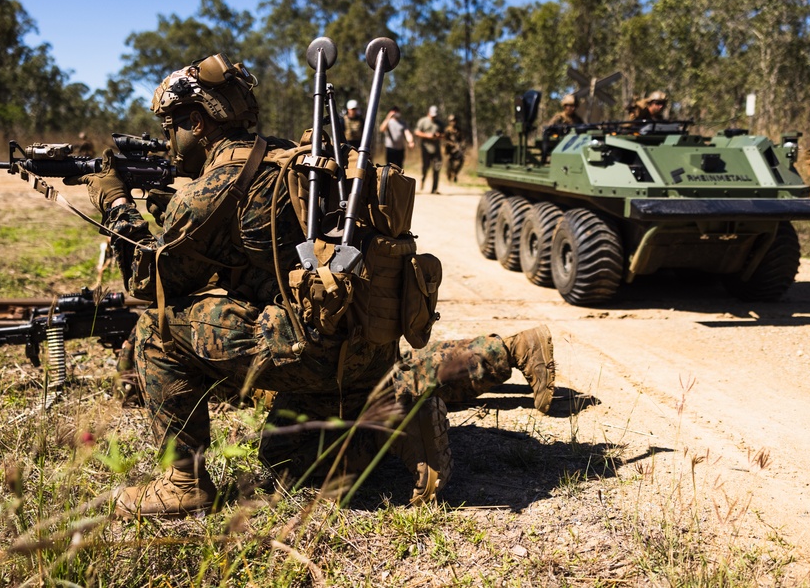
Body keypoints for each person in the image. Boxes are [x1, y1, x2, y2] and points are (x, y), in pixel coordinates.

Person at [66, 53, 557, 518]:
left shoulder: (215, 186)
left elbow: (148, 282)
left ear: (198, 122)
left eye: (171, 128)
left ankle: (183, 483)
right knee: (288, 463)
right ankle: (401, 410)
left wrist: (115, 204)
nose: (169, 141)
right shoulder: (290, 157)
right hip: (366, 338)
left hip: (312, 349)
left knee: (157, 329)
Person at [415, 105, 444, 193]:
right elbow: (417, 132)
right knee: (426, 167)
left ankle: (434, 189)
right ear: (428, 113)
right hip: (426, 149)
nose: (434, 117)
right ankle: (423, 180)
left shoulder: (440, 123)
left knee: (437, 167)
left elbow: (444, 135)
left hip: (436, 149)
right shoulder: (423, 121)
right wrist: (427, 135)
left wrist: (439, 136)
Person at [442, 114, 467, 184]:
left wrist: (462, 145)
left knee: (461, 161)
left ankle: (455, 173)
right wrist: (451, 144)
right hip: (449, 149)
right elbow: (444, 140)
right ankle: (449, 176)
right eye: (451, 121)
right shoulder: (447, 130)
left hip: (457, 149)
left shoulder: (458, 129)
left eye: (454, 120)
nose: (453, 122)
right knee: (449, 164)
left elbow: (462, 139)